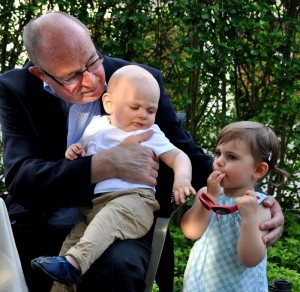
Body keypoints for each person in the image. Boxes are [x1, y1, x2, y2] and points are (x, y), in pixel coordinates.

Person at [0, 11, 283, 292]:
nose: (91, 80)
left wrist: (256, 197)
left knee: (116, 269)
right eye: (73, 76)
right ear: (41, 73)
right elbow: (21, 177)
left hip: (125, 216)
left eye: (91, 61)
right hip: (40, 222)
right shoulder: (16, 89)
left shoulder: (139, 82)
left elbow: (188, 157)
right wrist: (103, 164)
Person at [31, 64, 196, 287]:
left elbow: (179, 156)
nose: (143, 115)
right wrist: (75, 150)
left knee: (98, 232)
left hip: (134, 202)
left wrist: (182, 179)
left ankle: (73, 264)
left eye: (150, 110)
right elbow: (84, 151)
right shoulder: (96, 127)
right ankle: (64, 275)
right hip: (94, 206)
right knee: (72, 243)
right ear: (109, 103)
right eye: (135, 107)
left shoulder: (149, 134)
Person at [181, 121, 289, 291]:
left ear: (259, 170)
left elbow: (250, 259)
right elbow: (190, 232)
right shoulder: (207, 192)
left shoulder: (261, 207)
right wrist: (209, 197)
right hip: (201, 284)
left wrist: (249, 219)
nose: (219, 162)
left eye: (231, 157)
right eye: (218, 153)